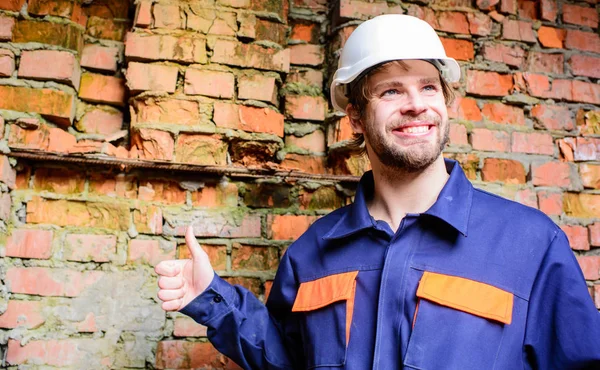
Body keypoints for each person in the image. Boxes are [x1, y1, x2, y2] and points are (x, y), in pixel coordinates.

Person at [155, 14, 600, 370]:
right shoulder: (310, 254)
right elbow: (287, 360)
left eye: (429, 86)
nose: (416, 104)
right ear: (355, 117)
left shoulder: (530, 245)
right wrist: (212, 298)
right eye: (391, 90)